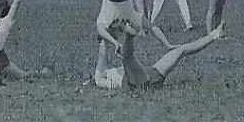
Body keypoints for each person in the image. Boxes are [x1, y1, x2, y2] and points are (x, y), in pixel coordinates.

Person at [96, 23, 227, 90]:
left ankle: (215, 34)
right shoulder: (100, 80)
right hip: (138, 85)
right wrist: (103, 42)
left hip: (151, 76)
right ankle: (130, 35)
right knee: (127, 58)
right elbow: (101, 67)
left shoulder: (108, 75)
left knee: (181, 50)